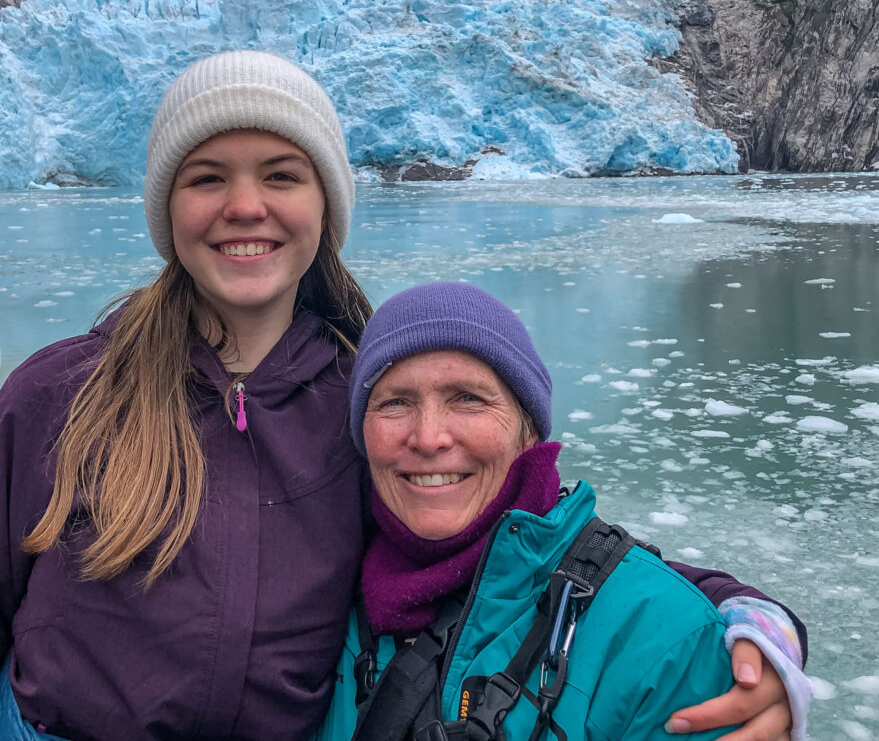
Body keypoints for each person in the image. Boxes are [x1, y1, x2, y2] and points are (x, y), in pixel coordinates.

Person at [0, 51, 807, 741]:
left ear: (327, 203)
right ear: (166, 207)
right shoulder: (61, 397)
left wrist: (744, 615)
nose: (245, 206)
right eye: (207, 177)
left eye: (282, 174)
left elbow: (526, 546)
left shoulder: (370, 405)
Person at [316, 282, 812, 741]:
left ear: (529, 430)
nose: (428, 437)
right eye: (394, 402)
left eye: (469, 398)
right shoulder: (322, 582)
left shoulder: (667, 643)